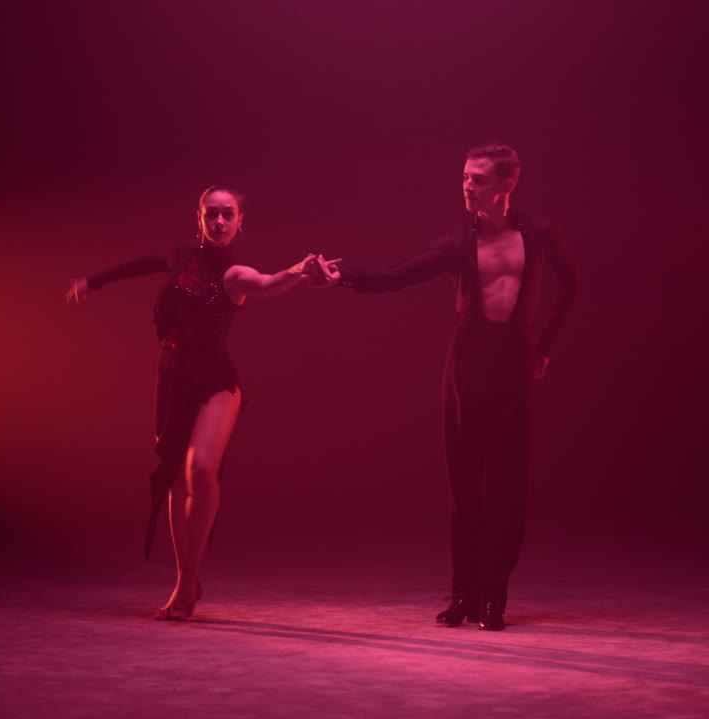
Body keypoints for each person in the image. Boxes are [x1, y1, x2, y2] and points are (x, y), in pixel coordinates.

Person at [313, 144, 577, 630]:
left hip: (513, 363)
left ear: (506, 185)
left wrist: (544, 346)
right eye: (464, 177)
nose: (467, 186)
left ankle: (494, 596)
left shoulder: (538, 233)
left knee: (506, 483)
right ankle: (463, 595)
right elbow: (398, 276)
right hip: (467, 363)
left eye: (477, 179)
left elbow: (571, 283)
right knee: (463, 483)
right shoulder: (458, 242)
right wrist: (343, 278)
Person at [66, 185, 333, 621]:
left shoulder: (236, 275)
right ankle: (186, 576)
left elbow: (269, 283)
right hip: (172, 377)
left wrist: (301, 270)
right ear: (200, 218)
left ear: (240, 221)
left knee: (202, 467)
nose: (220, 221)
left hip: (216, 381)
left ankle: (191, 578)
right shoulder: (179, 257)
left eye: (229, 214)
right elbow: (139, 265)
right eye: (212, 214)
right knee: (176, 476)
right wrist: (92, 282)